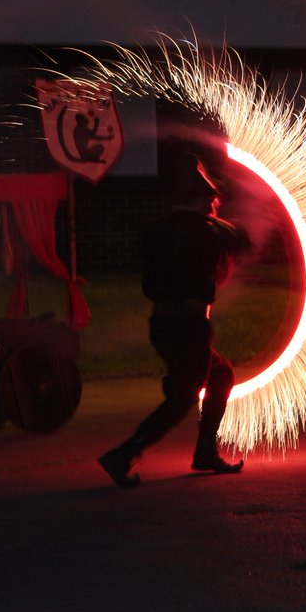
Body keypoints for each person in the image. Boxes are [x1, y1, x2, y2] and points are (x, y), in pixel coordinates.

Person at [99, 156, 251, 487]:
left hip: (162, 327)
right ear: (205, 201)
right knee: (182, 398)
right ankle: (123, 455)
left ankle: (205, 453)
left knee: (221, 373)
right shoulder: (210, 232)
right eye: (212, 203)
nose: (215, 209)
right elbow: (242, 241)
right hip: (191, 327)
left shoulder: (154, 232)